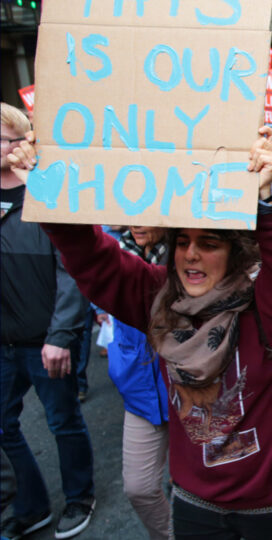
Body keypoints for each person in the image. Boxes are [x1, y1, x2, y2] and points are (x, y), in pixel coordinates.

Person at [10, 127, 272, 539]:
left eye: (209, 243)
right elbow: (92, 258)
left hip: (271, 499)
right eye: (183, 242)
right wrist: (51, 190)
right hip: (194, 497)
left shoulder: (265, 306)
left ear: (235, 254)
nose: (191, 254)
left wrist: (266, 204)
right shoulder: (158, 296)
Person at [0, 102, 96, 540]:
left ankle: (80, 497)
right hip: (3, 341)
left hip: (46, 340)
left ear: (21, 141)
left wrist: (60, 334)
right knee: (3, 425)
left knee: (63, 421)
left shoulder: (45, 189)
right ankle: (30, 504)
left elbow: (72, 267)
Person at [101, 226, 170, 540]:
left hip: (193, 393)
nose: (136, 223)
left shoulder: (193, 252)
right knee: (139, 487)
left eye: (145, 214)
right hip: (141, 391)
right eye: (130, 213)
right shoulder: (115, 255)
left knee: (199, 490)